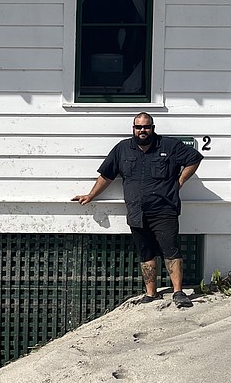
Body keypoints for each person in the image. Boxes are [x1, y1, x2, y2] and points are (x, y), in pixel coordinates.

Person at [72, 113, 202, 308]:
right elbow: (106, 175)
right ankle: (151, 294)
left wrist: (180, 181)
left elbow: (194, 158)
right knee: (146, 253)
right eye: (139, 127)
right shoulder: (122, 149)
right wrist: (91, 195)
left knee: (171, 250)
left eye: (146, 127)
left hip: (164, 209)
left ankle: (178, 292)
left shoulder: (169, 146)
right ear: (133, 128)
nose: (143, 130)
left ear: (153, 128)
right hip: (136, 211)